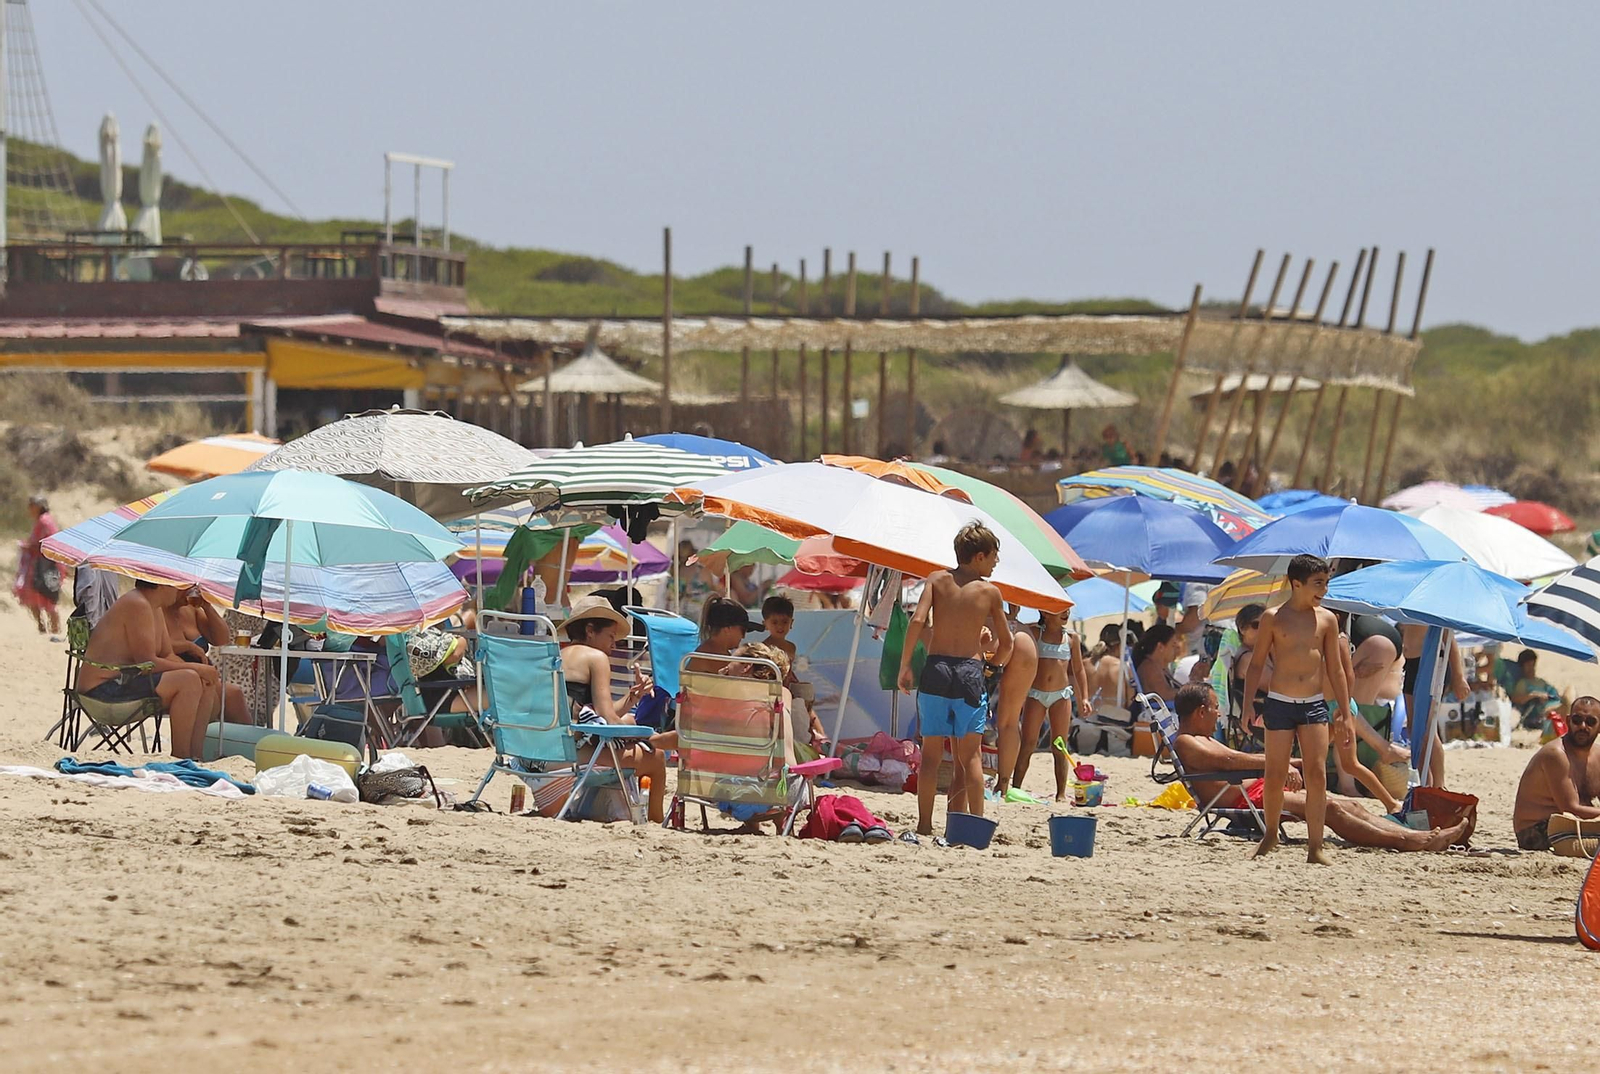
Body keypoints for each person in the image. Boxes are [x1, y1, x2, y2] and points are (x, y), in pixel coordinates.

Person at [1171, 684, 1470, 852]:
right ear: (1200, 712)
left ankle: (1411, 833)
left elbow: (1237, 759)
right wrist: (1281, 764)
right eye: (1215, 707)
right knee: (1329, 808)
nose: (1218, 713)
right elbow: (1230, 762)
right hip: (1247, 800)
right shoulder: (1187, 742)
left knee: (1350, 804)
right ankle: (1410, 841)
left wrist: (1294, 763)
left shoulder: (1204, 739)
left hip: (1258, 791)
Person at [898, 521, 1012, 838]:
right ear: (979, 556)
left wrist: (905, 665)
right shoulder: (990, 592)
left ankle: (924, 825)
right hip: (969, 673)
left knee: (930, 757)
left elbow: (918, 620)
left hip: (936, 669)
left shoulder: (936, 580)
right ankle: (976, 827)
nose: (996, 562)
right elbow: (1007, 643)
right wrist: (992, 667)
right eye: (993, 556)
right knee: (970, 757)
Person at [1243, 554, 1348, 864]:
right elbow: (1256, 663)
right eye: (1318, 583)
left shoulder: (1327, 620)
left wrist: (1345, 711)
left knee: (1317, 774)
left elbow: (1336, 668)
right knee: (1274, 773)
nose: (1324, 590)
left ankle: (1315, 847)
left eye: (1326, 583)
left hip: (1314, 704)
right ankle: (1270, 834)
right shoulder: (1273, 617)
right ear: (1296, 584)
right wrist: (1247, 705)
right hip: (1279, 702)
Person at [558, 595, 666, 823]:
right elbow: (607, 719)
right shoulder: (596, 657)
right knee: (656, 757)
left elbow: (596, 714)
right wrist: (646, 736)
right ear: (590, 630)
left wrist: (632, 697)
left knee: (629, 721)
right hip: (575, 756)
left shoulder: (559, 656)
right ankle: (657, 822)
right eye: (610, 636)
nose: (614, 645)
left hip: (545, 752)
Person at [76, 580, 213, 759]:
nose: (180, 590)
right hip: (102, 692)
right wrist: (194, 668)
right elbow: (148, 663)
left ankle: (196, 757)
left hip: (123, 681)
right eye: (176, 584)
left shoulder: (154, 607)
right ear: (162, 584)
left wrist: (202, 672)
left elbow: (167, 654)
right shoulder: (137, 604)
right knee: (189, 681)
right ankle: (181, 756)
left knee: (203, 681)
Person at [1013, 609, 1091, 801]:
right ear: (1045, 613)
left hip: (1061, 695)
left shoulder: (1071, 638)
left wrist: (1084, 698)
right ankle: (1016, 788)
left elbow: (1079, 669)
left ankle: (1061, 793)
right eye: (1060, 609)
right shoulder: (1035, 633)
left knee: (1060, 745)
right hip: (1036, 694)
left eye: (1067, 609)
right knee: (1028, 743)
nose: (1066, 612)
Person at [1514, 696, 1600, 850]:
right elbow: (1570, 808)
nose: (1583, 726)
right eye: (1577, 720)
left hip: (1575, 824)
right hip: (1537, 830)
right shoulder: (1556, 754)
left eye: (1590, 722)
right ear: (1568, 721)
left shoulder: (1598, 756)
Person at [162, 586, 249, 724]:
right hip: (175, 671)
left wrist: (207, 607)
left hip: (202, 672)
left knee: (234, 693)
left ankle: (238, 737)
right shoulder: (156, 611)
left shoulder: (191, 610)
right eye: (184, 585)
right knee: (230, 696)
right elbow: (155, 647)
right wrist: (187, 646)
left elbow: (222, 639)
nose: (189, 589)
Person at [1401, 623, 1472, 785]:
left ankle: (1439, 785)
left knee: (1427, 728)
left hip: (1432, 661)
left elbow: (1449, 637)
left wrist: (1459, 677)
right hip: (1411, 662)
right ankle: (1425, 782)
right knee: (1414, 728)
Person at [761, 595, 825, 757]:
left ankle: (816, 741)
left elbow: (789, 672)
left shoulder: (791, 647)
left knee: (805, 710)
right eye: (774, 622)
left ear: (792, 623)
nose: (780, 626)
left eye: (784, 622)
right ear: (765, 623)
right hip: (772, 691)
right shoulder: (764, 648)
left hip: (788, 687)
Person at [1209, 603, 1265, 744]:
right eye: (1257, 625)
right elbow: (1277, 685)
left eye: (1267, 624)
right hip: (1261, 719)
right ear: (1242, 629)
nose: (1263, 629)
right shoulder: (1248, 658)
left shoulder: (1257, 655)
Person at [15, 494, 62, 637]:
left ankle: (53, 629)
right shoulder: (42, 521)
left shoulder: (44, 521)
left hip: (47, 566)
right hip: (41, 565)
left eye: (32, 505)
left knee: (47, 597)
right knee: (35, 596)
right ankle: (45, 627)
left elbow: (45, 544)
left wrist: (28, 546)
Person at [1506, 648, 1563, 733]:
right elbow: (1516, 699)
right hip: (1541, 713)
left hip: (1553, 705)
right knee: (1564, 706)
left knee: (1570, 692)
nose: (1531, 668)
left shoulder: (1541, 681)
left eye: (1533, 665)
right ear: (1522, 667)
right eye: (1528, 665)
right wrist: (1534, 695)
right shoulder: (1523, 683)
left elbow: (1555, 695)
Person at [1132, 624, 1182, 703]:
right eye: (1173, 645)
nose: (1177, 648)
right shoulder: (1149, 667)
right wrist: (1190, 692)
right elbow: (1164, 694)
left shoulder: (1160, 666)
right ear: (1160, 647)